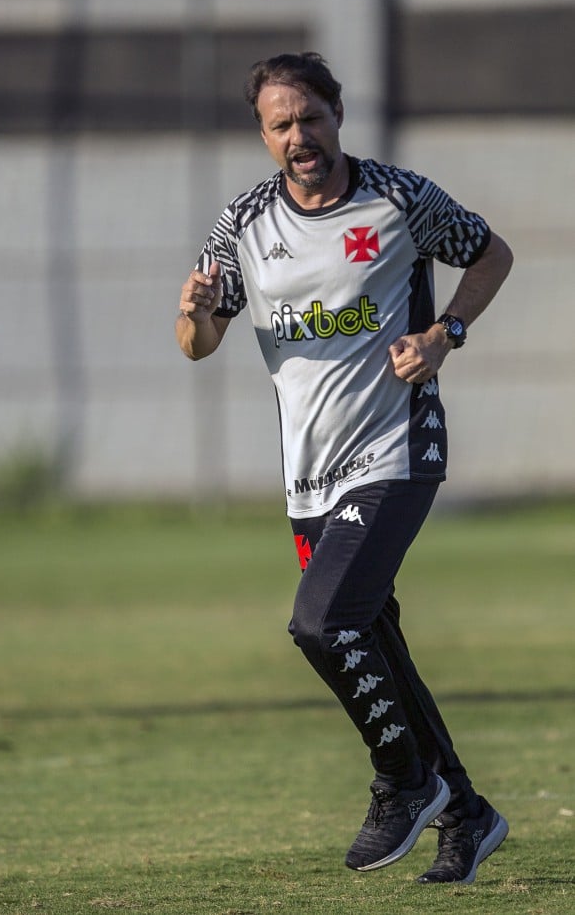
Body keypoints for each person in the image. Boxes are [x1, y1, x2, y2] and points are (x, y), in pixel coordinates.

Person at [175, 52, 513, 884]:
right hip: (308, 474)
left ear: (337, 114)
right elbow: (200, 341)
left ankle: (404, 785)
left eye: (310, 118)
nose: (299, 137)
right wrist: (190, 317)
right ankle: (465, 814)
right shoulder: (244, 223)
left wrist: (445, 336)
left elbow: (490, 254)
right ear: (263, 134)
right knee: (374, 639)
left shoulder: (398, 197)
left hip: (396, 448)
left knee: (321, 623)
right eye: (280, 124)